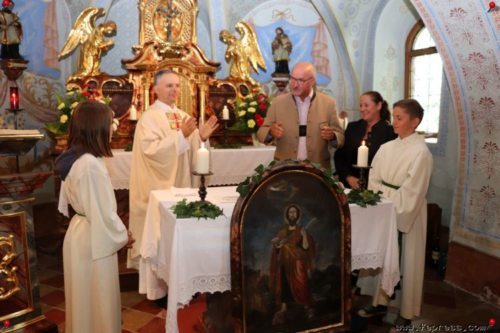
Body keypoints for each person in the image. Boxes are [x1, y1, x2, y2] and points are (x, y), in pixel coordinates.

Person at [55, 101, 135, 333]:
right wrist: (123, 236)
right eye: (110, 124)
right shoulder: (89, 165)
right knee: (97, 301)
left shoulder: (78, 157)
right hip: (94, 239)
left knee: (85, 303)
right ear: (96, 127)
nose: (113, 129)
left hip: (83, 233)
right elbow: (102, 214)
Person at [128, 70, 218, 269]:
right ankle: (159, 288)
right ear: (156, 89)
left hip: (182, 185)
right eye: (169, 86)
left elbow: (192, 150)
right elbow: (150, 150)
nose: (174, 90)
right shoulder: (149, 118)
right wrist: (181, 136)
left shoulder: (183, 116)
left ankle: (180, 277)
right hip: (158, 188)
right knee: (160, 237)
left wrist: (201, 138)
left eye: (177, 85)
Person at [359, 99, 433, 329]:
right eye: (395, 117)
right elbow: (374, 178)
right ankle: (379, 301)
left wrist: (386, 197)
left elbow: (413, 191)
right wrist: (380, 198)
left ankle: (407, 312)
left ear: (415, 121)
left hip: (407, 214)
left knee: (406, 260)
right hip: (385, 209)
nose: (395, 123)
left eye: (400, 118)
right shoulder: (387, 147)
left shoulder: (421, 153)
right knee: (382, 256)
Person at [256, 61, 345, 169]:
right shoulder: (277, 103)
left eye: (300, 80)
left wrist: (333, 136)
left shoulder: (328, 103)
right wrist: (270, 131)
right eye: (292, 79)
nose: (294, 84)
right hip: (285, 169)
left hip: (318, 170)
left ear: (312, 81)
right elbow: (261, 134)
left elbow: (341, 136)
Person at [334, 91, 397, 189]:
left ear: (379, 105)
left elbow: (390, 164)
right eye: (360, 105)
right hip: (348, 186)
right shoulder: (352, 127)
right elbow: (340, 157)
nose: (362, 109)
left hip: (376, 188)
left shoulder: (390, 132)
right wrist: (348, 177)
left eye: (366, 105)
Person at [269, 204, 315, 325]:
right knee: (284, 283)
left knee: (302, 283)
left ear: (298, 215)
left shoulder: (301, 231)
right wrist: (276, 244)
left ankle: (306, 306)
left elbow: (306, 247)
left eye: (294, 212)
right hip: (285, 262)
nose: (292, 214)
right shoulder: (282, 232)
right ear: (287, 215)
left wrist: (304, 235)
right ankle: (284, 308)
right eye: (290, 212)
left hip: (298, 263)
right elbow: (278, 248)